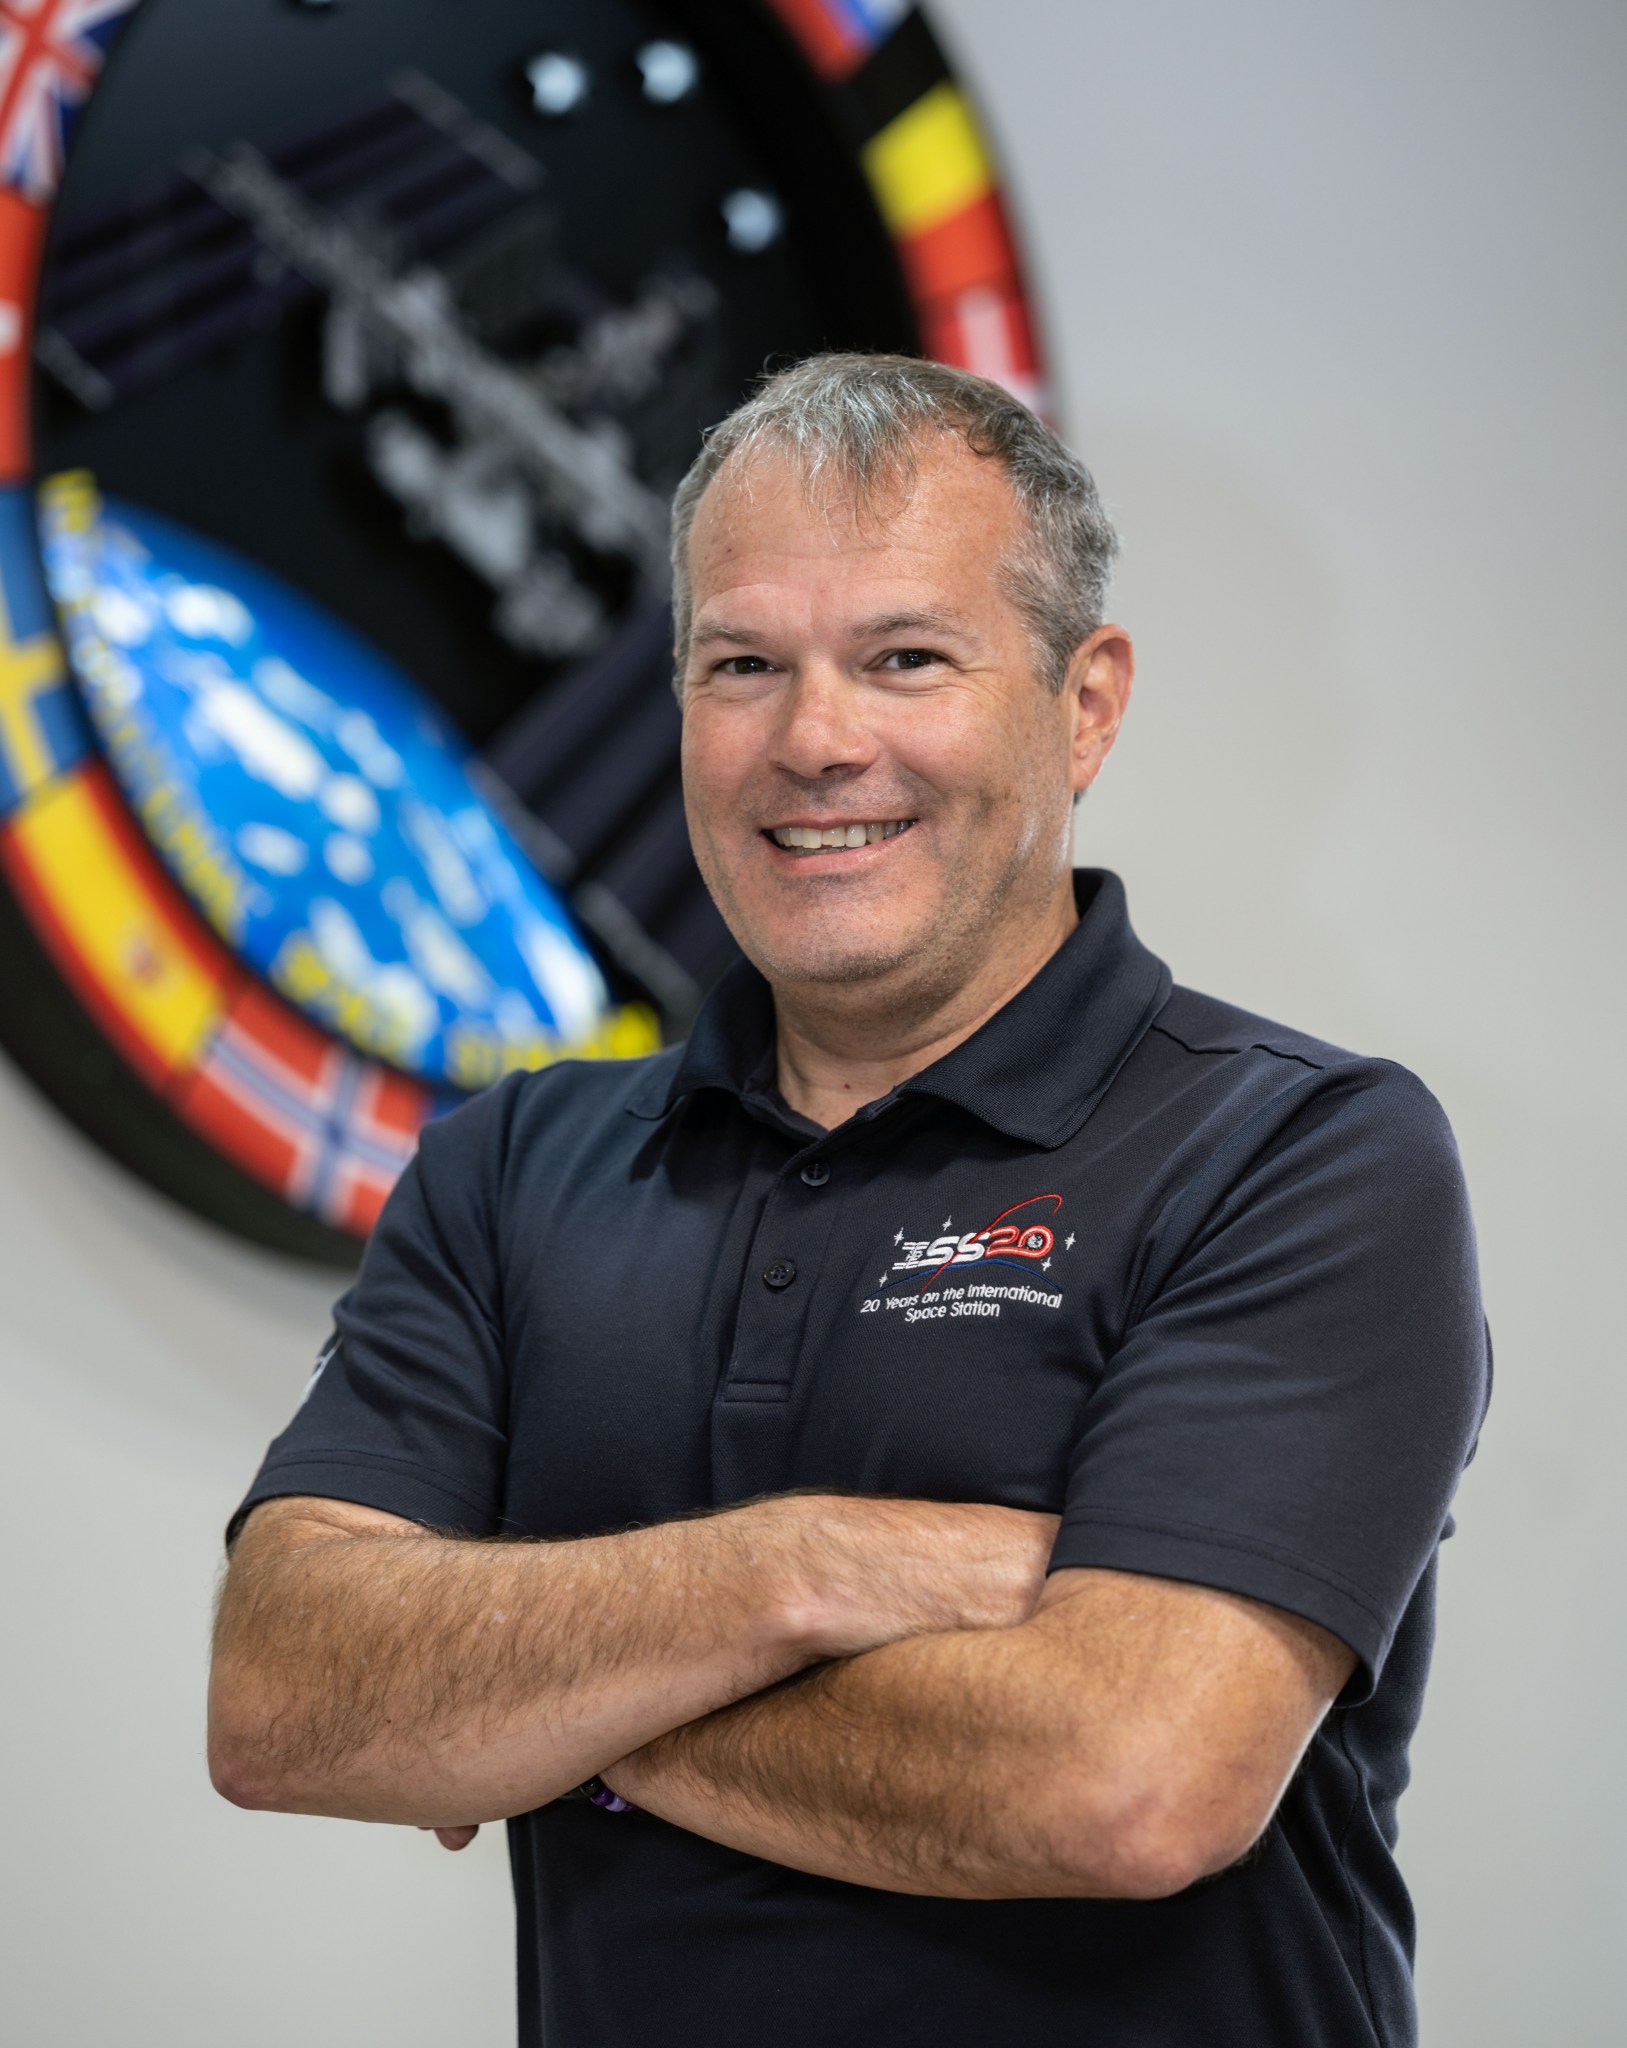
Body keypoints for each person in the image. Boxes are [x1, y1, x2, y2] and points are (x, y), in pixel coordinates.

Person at [209, 353, 1490, 2048]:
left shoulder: (1301, 1154)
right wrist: (805, 1570)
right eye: (745, 664)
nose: (817, 742)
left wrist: (546, 1708)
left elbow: (1128, 1784)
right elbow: (282, 1696)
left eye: (904, 658)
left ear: (1085, 700)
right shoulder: (514, 1169)